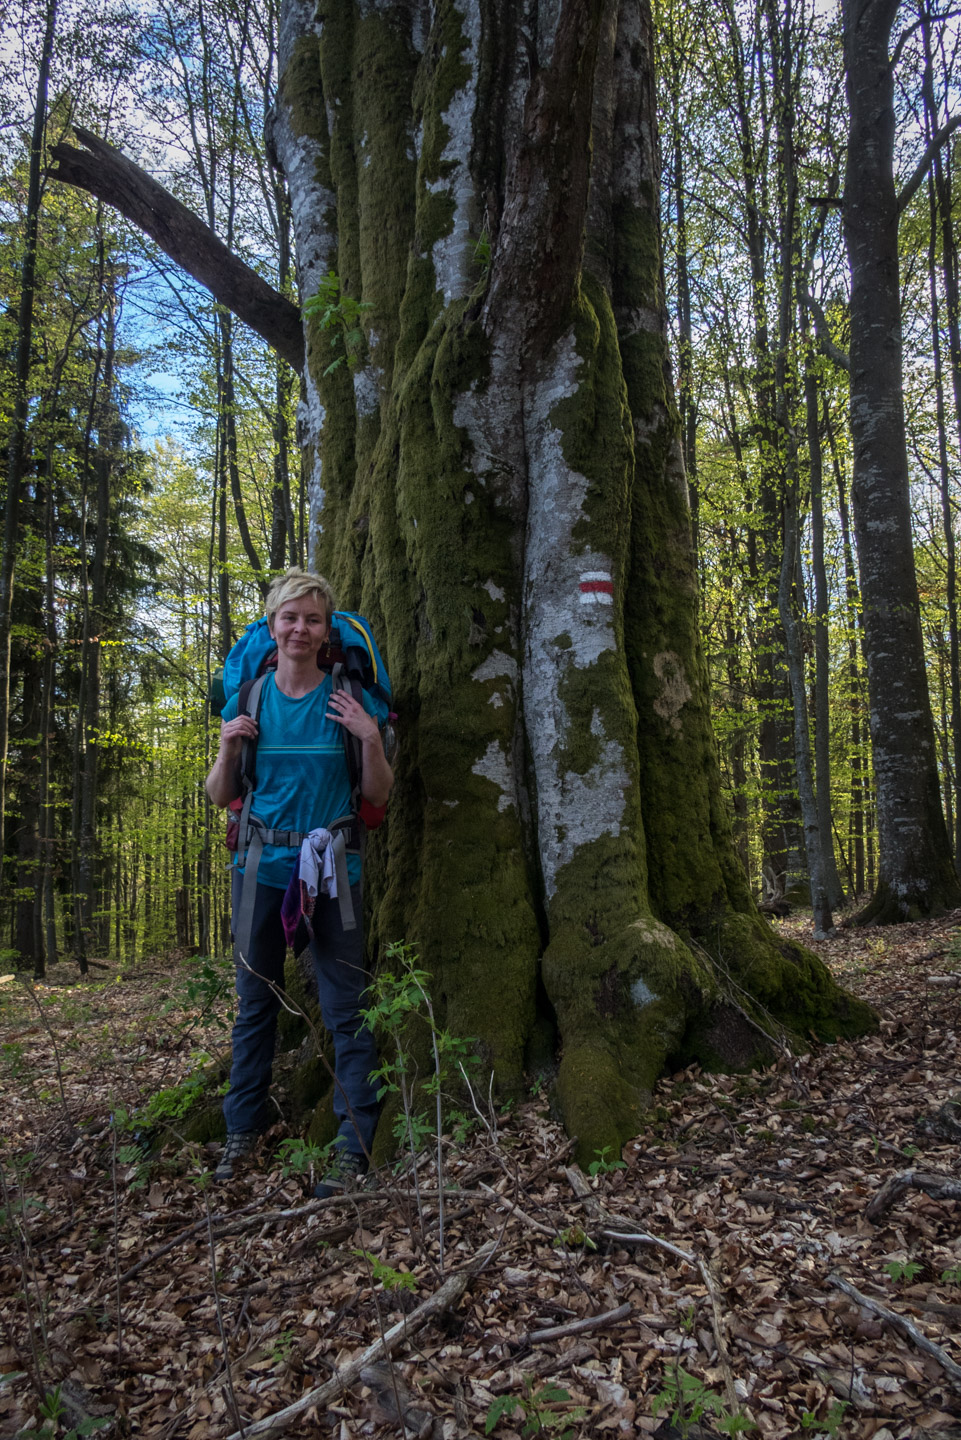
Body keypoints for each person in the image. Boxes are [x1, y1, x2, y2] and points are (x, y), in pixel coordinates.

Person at [206, 568, 393, 1193]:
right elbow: (219, 795)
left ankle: (354, 1142)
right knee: (255, 1004)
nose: (300, 629)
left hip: (334, 870)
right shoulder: (251, 700)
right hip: (260, 868)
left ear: (327, 630)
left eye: (313, 619)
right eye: (289, 617)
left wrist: (370, 738)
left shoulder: (347, 700)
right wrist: (229, 747)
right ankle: (241, 1130)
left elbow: (377, 796)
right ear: (272, 624)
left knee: (346, 1008)